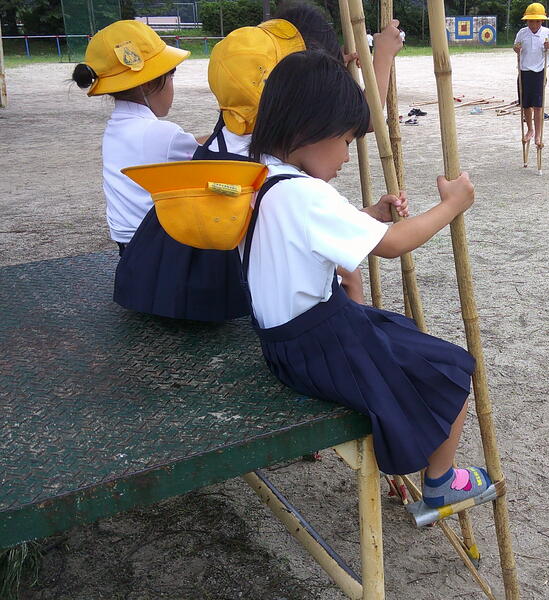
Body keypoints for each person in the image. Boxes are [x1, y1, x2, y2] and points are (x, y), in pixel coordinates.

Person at [244, 50, 490, 505]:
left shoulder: (262, 178)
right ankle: (441, 481)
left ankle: (430, 462)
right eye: (345, 140)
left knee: (401, 335)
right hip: (319, 346)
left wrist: (370, 215)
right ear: (309, 128)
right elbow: (393, 245)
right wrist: (451, 205)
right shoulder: (305, 193)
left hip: (285, 345)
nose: (346, 155)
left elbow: (306, 236)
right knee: (452, 368)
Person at [198, 3, 403, 303]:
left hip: (215, 272)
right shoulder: (280, 168)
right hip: (238, 286)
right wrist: (382, 56)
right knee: (348, 274)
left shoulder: (237, 131)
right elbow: (367, 119)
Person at [72, 21, 249, 321]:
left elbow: (192, 145)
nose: (172, 85)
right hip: (159, 252)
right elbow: (213, 153)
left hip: (128, 249)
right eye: (170, 75)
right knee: (229, 199)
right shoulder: (160, 135)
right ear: (147, 84)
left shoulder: (118, 128)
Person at [513, 3, 549, 148]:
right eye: (531, 21)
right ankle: (530, 130)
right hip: (524, 71)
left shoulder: (547, 33)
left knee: (538, 106)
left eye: (537, 21)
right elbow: (515, 47)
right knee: (525, 104)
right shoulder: (522, 33)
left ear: (542, 21)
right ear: (527, 21)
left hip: (539, 72)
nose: (534, 24)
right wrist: (517, 48)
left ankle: (538, 135)